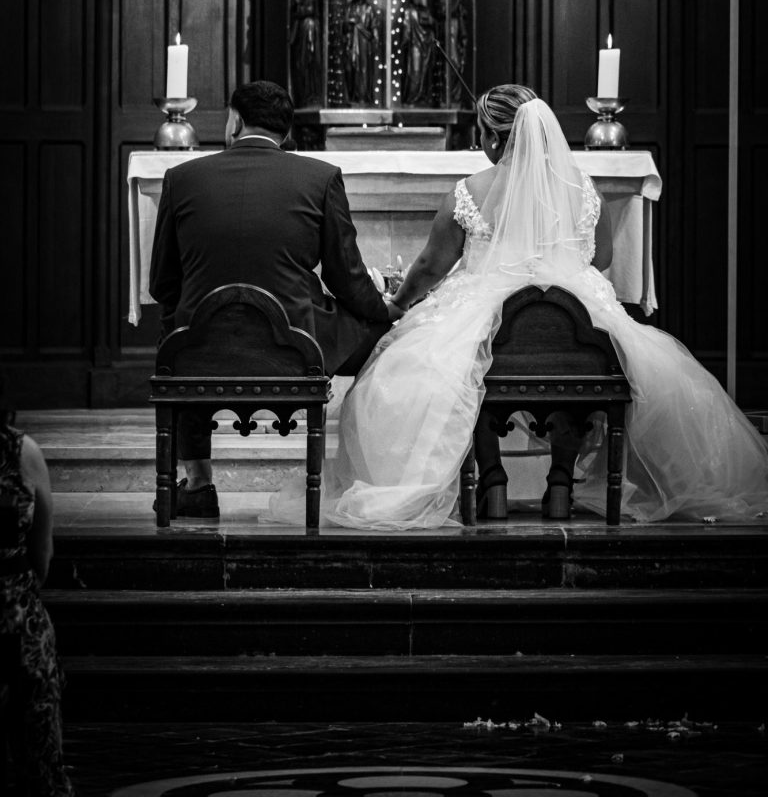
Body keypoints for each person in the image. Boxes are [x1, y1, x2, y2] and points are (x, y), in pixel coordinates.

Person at [268, 83, 768, 530]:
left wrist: (396, 302)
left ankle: (494, 481)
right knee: (584, 356)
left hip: (490, 318)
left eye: (483, 132)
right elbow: (604, 258)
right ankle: (559, 486)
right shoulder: (584, 191)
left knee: (460, 364)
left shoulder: (469, 192)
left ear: (491, 137)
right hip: (577, 327)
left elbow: (430, 267)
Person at [149, 80, 402, 519]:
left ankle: (198, 481)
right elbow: (346, 278)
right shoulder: (320, 178)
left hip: (201, 344)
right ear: (285, 133)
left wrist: (196, 314)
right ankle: (376, 477)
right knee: (390, 338)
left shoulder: (181, 177)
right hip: (298, 342)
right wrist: (387, 311)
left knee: (178, 328)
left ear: (235, 120)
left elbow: (161, 283)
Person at [0, 390, 75, 795]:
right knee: (40, 763)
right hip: (17, 616)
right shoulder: (20, 450)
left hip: (17, 621)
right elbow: (42, 554)